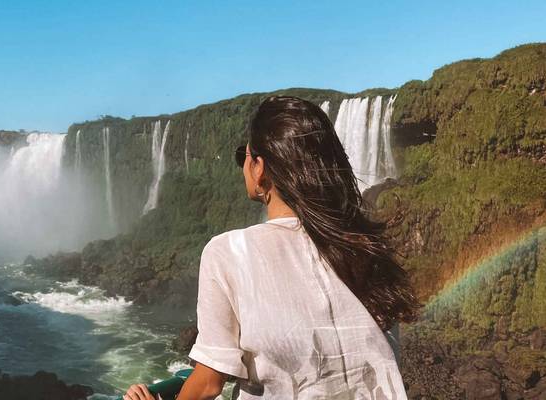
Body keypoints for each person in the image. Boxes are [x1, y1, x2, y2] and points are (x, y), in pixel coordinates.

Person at [123, 96, 419, 400]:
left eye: (244, 157)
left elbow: (209, 384)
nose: (243, 166)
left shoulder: (229, 251)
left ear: (259, 168)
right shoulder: (366, 249)